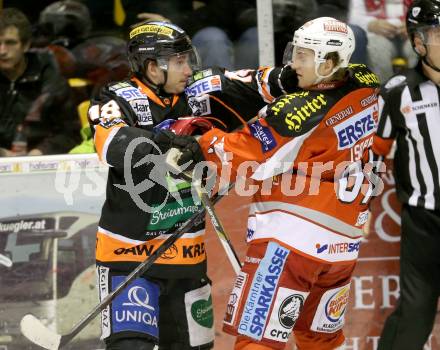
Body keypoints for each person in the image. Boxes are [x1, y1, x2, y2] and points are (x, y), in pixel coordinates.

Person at [178, 17, 380, 350]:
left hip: (290, 242)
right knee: (320, 339)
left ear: (329, 63)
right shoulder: (365, 81)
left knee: (257, 340)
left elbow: (237, 157)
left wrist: (196, 142)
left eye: (303, 56)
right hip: (343, 243)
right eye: (295, 52)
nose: (293, 63)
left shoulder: (294, 112)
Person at [89, 20, 216, 350]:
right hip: (128, 255)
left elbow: (256, 88)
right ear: (151, 66)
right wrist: (166, 142)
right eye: (179, 62)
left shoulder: (199, 94)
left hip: (187, 256)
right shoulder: (117, 96)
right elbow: (111, 143)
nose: (188, 69)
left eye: (189, 60)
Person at [373, 1, 440, 349]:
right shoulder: (398, 91)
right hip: (424, 220)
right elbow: (376, 151)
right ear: (418, 43)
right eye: (439, 34)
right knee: (416, 312)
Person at [0, 7, 80, 156]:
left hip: (41, 162)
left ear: (26, 45)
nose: (2, 51)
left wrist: (39, 153)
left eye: (10, 43)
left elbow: (70, 133)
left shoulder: (51, 79)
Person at [349, 0, 418, 82]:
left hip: (413, 33)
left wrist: (414, 24)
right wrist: (371, 24)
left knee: (420, 47)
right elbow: (353, 16)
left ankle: (418, 90)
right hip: (377, 35)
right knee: (377, 49)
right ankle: (382, 90)